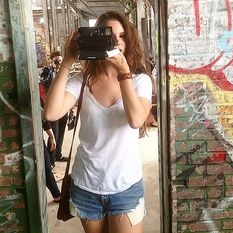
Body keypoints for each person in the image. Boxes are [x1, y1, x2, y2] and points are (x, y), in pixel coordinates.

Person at [44, 11, 152, 233]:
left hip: (125, 186)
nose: (117, 42)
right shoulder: (81, 81)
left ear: (128, 41)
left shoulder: (141, 81)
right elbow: (51, 113)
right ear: (96, 39)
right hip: (86, 186)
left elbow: (136, 120)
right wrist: (67, 60)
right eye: (109, 36)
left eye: (122, 36)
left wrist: (123, 73)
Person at [40, 51, 69, 166]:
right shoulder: (47, 72)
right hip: (52, 108)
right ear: (51, 61)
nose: (58, 64)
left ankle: (58, 154)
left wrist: (71, 109)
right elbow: (43, 82)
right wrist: (52, 70)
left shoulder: (65, 73)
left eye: (60, 62)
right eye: (56, 62)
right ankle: (51, 160)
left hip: (63, 107)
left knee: (61, 133)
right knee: (53, 134)